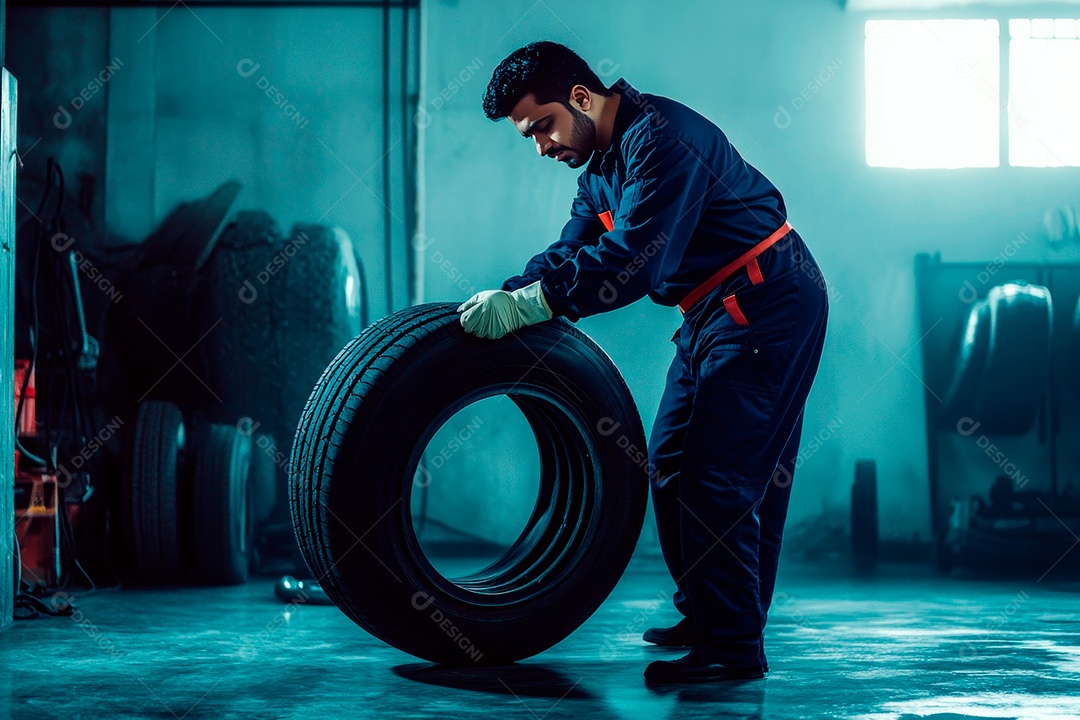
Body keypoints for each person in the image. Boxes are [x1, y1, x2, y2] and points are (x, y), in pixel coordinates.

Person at [458, 41, 828, 684]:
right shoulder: (598, 171)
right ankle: (711, 614)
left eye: (541, 126)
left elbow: (633, 262)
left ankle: (733, 648)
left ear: (580, 98)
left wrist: (536, 305)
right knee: (672, 466)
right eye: (528, 137)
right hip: (712, 311)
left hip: (764, 301)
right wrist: (510, 294)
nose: (541, 146)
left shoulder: (660, 140)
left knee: (723, 478)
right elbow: (570, 251)